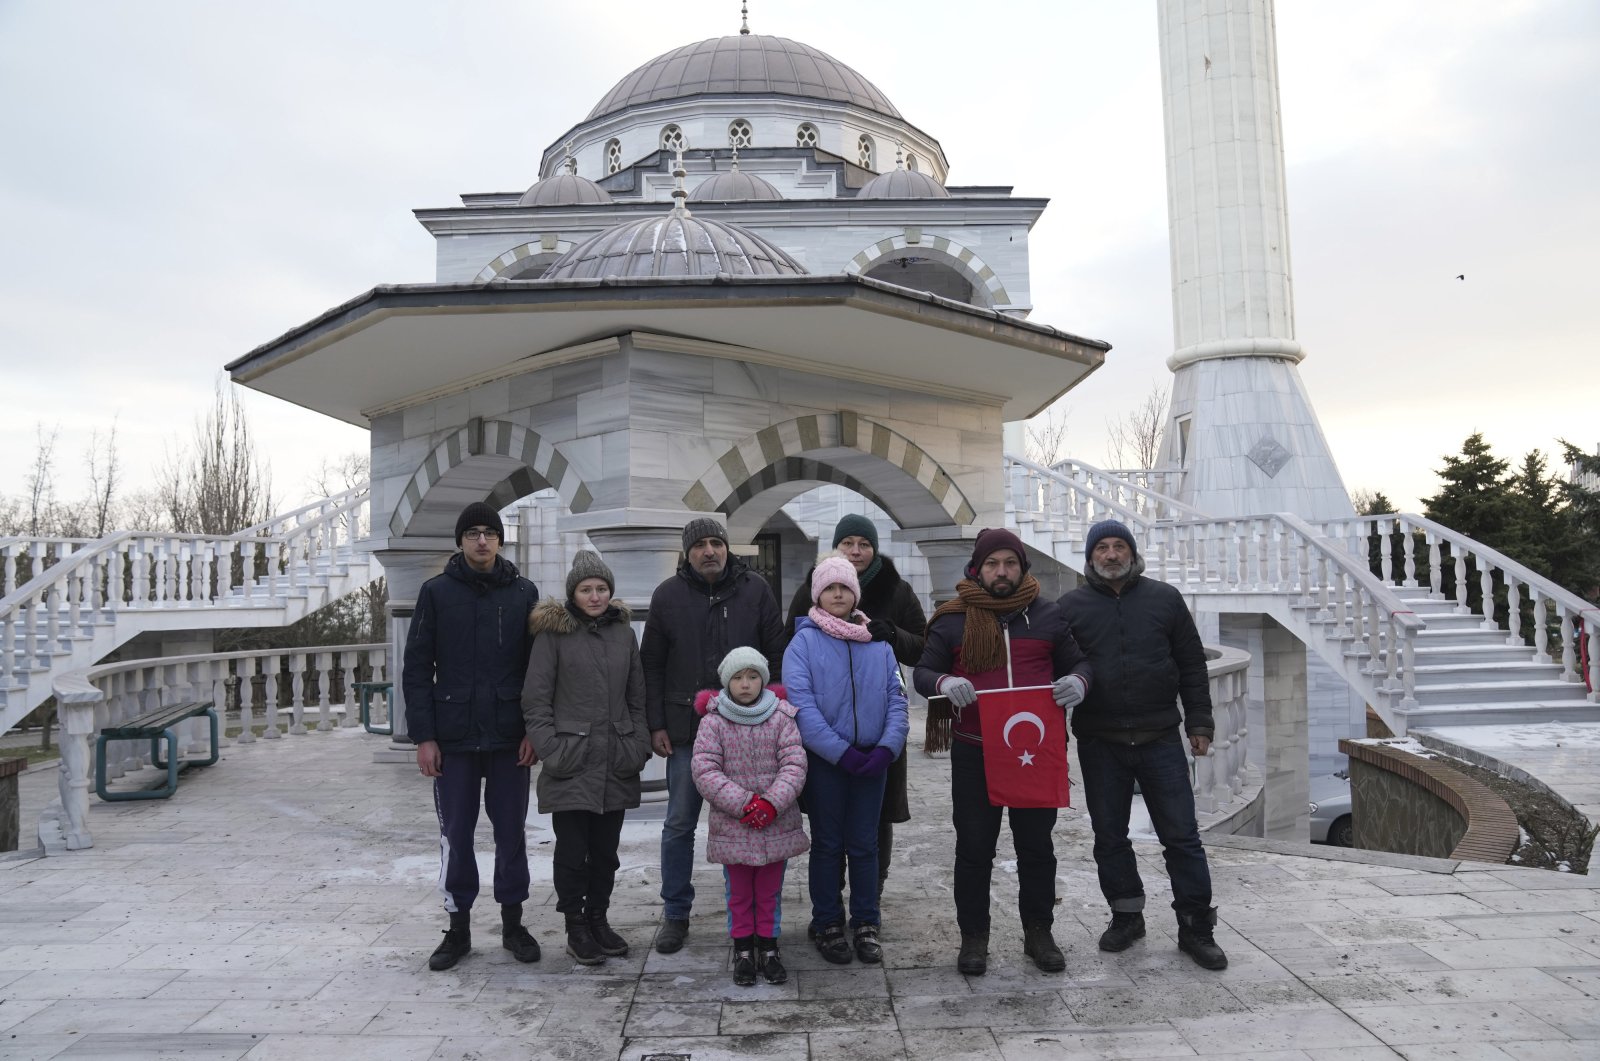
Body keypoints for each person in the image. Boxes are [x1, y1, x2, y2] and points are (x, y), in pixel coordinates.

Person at [913, 528, 1092, 976]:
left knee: (1037, 848)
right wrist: (943, 684)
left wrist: (1080, 682)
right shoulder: (953, 619)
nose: (1001, 571)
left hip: (1035, 753)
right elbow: (924, 671)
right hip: (976, 753)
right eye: (992, 563)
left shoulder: (1048, 616)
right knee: (974, 849)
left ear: (1022, 567)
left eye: (1010, 562)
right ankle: (974, 937)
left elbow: (1080, 662)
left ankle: (1039, 932)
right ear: (977, 568)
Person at [1058, 519, 1228, 971]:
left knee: (1182, 838)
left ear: (1132, 553)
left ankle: (1196, 928)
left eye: (1119, 547)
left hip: (1160, 740)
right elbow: (1053, 670)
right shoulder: (1070, 608)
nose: (1111, 555)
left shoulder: (1165, 600)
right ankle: (1127, 916)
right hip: (1100, 742)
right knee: (1110, 838)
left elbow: (1191, 664)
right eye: (1102, 548)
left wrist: (1201, 721)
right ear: (1091, 556)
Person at [402, 501, 542, 971]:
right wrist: (424, 736)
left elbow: (537, 671)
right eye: (472, 533)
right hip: (453, 738)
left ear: (500, 540)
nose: (482, 540)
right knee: (456, 835)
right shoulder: (437, 593)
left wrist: (532, 731)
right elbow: (417, 669)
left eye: (490, 532)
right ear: (460, 542)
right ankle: (457, 927)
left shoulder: (524, 594)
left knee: (511, 835)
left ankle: (513, 924)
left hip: (508, 739)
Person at [642, 517, 786, 954]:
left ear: (727, 548)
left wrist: (777, 713)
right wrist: (656, 723)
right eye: (700, 545)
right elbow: (651, 665)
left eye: (716, 543)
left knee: (747, 823)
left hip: (750, 733)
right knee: (679, 823)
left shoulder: (755, 590)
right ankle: (675, 913)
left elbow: (775, 655)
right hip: (686, 731)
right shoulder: (667, 595)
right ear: (687, 553)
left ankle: (751, 919)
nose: (710, 551)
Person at [785, 514, 926, 901]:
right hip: (827, 732)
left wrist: (892, 635)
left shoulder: (896, 590)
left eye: (863, 544)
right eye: (848, 543)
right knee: (829, 825)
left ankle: (871, 893)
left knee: (877, 817)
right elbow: (791, 644)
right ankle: (831, 899)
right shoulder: (810, 590)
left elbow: (923, 645)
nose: (856, 551)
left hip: (877, 721)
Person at [521, 550, 651, 964]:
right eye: (586, 589)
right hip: (571, 761)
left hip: (615, 759)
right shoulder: (552, 636)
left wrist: (638, 744)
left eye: (601, 588)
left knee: (606, 852)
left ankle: (599, 919)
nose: (595, 596)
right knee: (572, 852)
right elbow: (536, 702)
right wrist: (552, 750)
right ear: (572, 594)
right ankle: (576, 927)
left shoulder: (623, 634)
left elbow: (637, 696)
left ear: (610, 592)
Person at [784, 555, 908, 965]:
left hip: (873, 761)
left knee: (865, 845)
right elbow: (801, 705)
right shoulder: (803, 643)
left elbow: (897, 699)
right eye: (829, 588)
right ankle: (827, 921)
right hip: (828, 763)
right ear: (817, 594)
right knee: (828, 845)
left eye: (844, 587)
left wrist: (887, 748)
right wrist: (840, 752)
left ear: (854, 593)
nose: (837, 594)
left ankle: (866, 922)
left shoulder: (876, 641)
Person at [690, 647, 809, 986]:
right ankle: (743, 949)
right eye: (738, 677)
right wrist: (745, 804)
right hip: (734, 825)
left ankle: (769, 948)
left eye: (753, 676)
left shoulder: (782, 717)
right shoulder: (713, 722)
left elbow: (794, 764)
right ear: (728, 682)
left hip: (776, 822)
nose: (746, 684)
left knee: (770, 891)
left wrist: (771, 803)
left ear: (763, 680)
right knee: (739, 892)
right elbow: (704, 769)